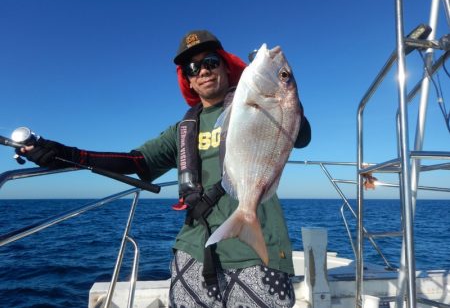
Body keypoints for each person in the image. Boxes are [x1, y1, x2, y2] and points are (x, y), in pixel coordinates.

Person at [18, 30, 311, 308]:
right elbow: (135, 162)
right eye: (192, 69)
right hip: (194, 248)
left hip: (259, 249)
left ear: (226, 67)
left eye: (210, 62)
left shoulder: (267, 104)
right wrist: (66, 154)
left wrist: (282, 88)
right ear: (189, 82)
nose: (203, 71)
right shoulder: (183, 130)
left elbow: (301, 135)